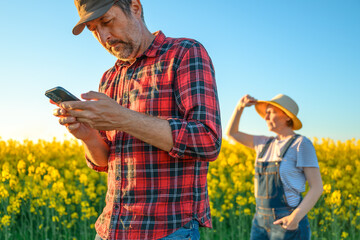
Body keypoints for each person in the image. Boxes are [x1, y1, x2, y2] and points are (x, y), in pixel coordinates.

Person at [51, 0, 221, 239]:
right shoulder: (109, 77)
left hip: (166, 230)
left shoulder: (184, 53)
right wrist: (87, 135)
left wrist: (123, 119)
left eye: (107, 22)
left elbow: (207, 140)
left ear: (135, 7)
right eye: (94, 29)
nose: (104, 36)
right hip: (109, 229)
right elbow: (104, 163)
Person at [226, 94, 323, 240]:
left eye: (271, 112)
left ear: (287, 117)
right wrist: (240, 107)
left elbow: (317, 187)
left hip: (288, 221)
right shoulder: (263, 143)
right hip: (259, 222)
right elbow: (232, 133)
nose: (266, 117)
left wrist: (294, 218)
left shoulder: (301, 144)